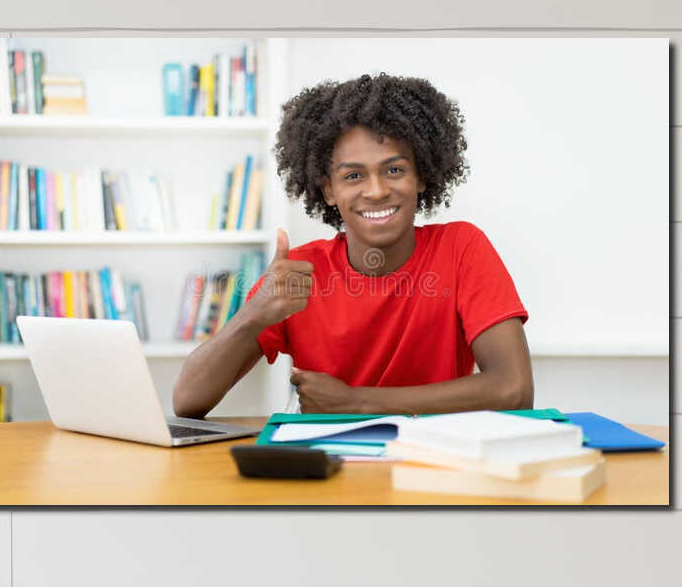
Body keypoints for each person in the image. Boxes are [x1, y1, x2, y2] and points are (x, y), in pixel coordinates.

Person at [170, 72, 532, 420]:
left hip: (438, 463)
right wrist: (253, 316)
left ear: (421, 176)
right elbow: (187, 402)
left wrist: (357, 401)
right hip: (330, 468)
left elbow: (513, 390)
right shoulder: (300, 272)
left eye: (393, 170)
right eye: (353, 176)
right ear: (328, 190)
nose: (375, 191)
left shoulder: (461, 248)